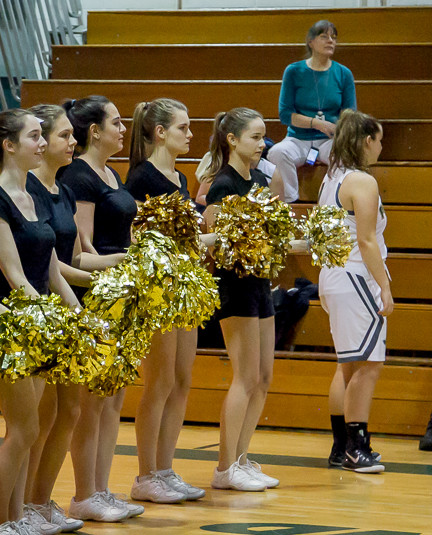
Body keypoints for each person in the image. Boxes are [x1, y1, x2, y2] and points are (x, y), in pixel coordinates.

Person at [0, 108, 80, 535]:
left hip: (41, 323)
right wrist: (46, 318)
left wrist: (76, 314)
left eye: (43, 136)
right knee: (20, 429)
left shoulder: (32, 194)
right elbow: (15, 276)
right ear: (9, 146)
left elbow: (51, 267)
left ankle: (18, 517)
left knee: (33, 427)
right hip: (13, 325)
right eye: (35, 136)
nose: (43, 143)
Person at [23, 103, 124, 534]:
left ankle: (42, 500)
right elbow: (46, 265)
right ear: (40, 143)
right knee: (40, 416)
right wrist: (83, 301)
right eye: (63, 136)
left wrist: (125, 268)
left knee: (70, 410)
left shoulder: (61, 191)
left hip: (68, 309)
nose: (71, 143)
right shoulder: (27, 192)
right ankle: (24, 504)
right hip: (43, 313)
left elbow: (69, 256)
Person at [59, 95, 142, 521]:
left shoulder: (112, 173)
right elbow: (80, 255)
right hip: (93, 293)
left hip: (120, 293)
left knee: (113, 399)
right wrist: (130, 261)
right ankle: (84, 492)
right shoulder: (79, 177)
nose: (123, 129)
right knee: (92, 402)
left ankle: (103, 488)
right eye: (115, 122)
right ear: (94, 131)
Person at [125, 98, 205, 504]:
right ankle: (145, 474)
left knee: (181, 380)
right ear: (159, 132)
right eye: (183, 128)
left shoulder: (182, 179)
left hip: (185, 289)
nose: (190, 135)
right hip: (158, 288)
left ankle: (166, 468)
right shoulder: (141, 179)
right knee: (158, 383)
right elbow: (138, 240)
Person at [203, 108, 282, 492]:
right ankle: (224, 467)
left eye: (264, 136)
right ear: (232, 139)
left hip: (260, 284)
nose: (262, 143)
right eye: (255, 136)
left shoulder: (260, 181)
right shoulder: (223, 185)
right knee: (245, 377)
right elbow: (216, 247)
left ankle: (242, 458)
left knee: (264, 377)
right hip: (234, 287)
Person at [318, 109, 390, 474]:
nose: (381, 147)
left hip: (334, 276)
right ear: (366, 141)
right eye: (379, 140)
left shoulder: (331, 177)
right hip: (356, 277)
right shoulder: (362, 181)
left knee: (348, 365)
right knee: (369, 363)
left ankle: (340, 447)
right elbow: (365, 241)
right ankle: (355, 448)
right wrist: (385, 286)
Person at [268, 20, 356, 203]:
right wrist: (316, 123)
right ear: (311, 41)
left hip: (329, 139)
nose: (330, 41)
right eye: (324, 36)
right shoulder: (293, 71)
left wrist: (335, 129)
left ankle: (333, 203)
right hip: (298, 138)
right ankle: (290, 201)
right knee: (277, 152)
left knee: (344, 155)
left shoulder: (344, 73)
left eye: (334, 37)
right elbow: (285, 114)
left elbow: (350, 114)